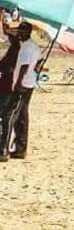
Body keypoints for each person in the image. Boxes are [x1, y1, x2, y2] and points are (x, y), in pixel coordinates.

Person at [0, 23, 38, 160]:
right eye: (19, 31)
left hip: (22, 86)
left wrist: (18, 84)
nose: (19, 34)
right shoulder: (26, 45)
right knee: (21, 116)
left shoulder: (27, 47)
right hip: (26, 84)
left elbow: (24, 67)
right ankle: (20, 149)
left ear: (28, 32)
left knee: (9, 116)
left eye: (22, 31)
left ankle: (3, 151)